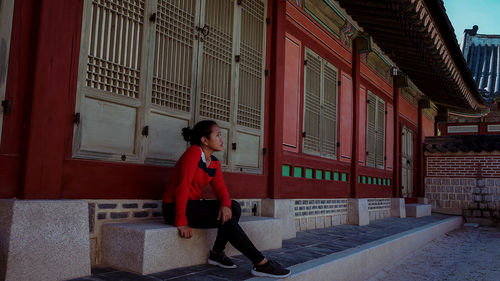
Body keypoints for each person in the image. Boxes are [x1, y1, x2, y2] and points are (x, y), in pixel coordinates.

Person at [162, 120, 290, 278]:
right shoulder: (194, 152)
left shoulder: (214, 162)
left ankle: (217, 252)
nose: (222, 139)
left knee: (233, 208)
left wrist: (225, 205)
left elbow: (222, 190)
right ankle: (260, 262)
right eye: (218, 135)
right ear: (205, 140)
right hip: (174, 208)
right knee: (227, 219)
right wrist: (181, 222)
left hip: (193, 205)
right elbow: (182, 187)